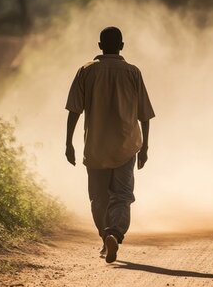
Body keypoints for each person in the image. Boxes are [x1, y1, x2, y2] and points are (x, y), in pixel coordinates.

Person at [64, 26, 155, 263]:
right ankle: (114, 232)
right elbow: (144, 114)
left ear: (100, 46)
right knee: (123, 196)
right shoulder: (132, 72)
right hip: (126, 145)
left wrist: (68, 143)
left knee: (98, 198)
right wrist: (144, 146)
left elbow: (74, 109)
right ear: (122, 46)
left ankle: (106, 238)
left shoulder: (86, 71)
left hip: (95, 146)